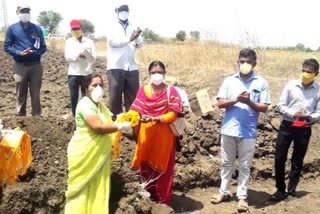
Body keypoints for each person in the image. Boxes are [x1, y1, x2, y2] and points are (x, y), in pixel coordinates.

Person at [211, 49, 271, 212]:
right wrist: (236, 100)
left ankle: (242, 197)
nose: (245, 64)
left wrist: (249, 102)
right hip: (228, 129)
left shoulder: (261, 82)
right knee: (226, 163)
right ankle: (223, 192)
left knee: (245, 166)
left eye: (248, 62)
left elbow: (264, 107)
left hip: (248, 131)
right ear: (238, 62)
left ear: (254, 63)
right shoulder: (229, 81)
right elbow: (220, 103)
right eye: (242, 61)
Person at [64, 74, 131, 214]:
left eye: (101, 85)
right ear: (86, 87)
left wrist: (119, 118)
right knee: (82, 187)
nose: (99, 88)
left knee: (98, 185)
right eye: (94, 85)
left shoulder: (98, 105)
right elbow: (98, 128)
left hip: (99, 154)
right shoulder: (85, 105)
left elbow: (107, 119)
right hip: (85, 153)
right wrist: (119, 127)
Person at [130, 61, 184, 205]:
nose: (156, 75)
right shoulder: (143, 90)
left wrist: (155, 118)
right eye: (153, 73)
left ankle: (162, 203)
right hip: (146, 136)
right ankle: (148, 201)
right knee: (146, 167)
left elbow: (173, 115)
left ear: (164, 74)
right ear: (149, 74)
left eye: (159, 72)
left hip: (164, 137)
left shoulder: (171, 91)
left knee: (163, 169)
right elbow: (135, 110)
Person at [270, 59, 320, 201]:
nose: (305, 74)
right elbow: (280, 105)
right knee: (279, 158)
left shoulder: (318, 90)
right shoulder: (291, 85)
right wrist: (293, 113)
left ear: (316, 73)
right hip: (287, 125)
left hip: (304, 128)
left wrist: (309, 117)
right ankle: (280, 189)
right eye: (303, 70)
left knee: (297, 160)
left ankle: (291, 192)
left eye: (309, 72)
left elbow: (319, 112)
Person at [4, 3, 47, 116]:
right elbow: (7, 46)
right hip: (20, 66)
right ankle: (21, 117)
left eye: (27, 11)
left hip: (36, 66)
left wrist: (35, 52)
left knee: (36, 93)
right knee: (21, 94)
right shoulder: (12, 29)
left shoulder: (37, 28)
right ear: (17, 13)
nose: (25, 14)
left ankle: (36, 118)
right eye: (23, 11)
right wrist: (19, 53)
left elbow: (43, 47)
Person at [107, 2, 143, 119]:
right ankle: (116, 127)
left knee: (133, 98)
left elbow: (139, 44)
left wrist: (136, 38)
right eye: (122, 10)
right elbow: (113, 42)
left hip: (131, 66)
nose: (124, 12)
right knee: (115, 98)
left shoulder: (133, 25)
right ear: (117, 12)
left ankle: (133, 124)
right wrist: (130, 38)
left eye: (126, 10)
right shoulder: (111, 25)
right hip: (116, 66)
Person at [65, 19, 97, 116]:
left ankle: (87, 115)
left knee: (86, 96)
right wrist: (78, 55)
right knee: (74, 96)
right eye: (73, 29)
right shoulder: (69, 42)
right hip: (73, 73)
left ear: (81, 28)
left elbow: (94, 57)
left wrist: (87, 56)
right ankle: (75, 115)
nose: (76, 31)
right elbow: (68, 57)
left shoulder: (89, 42)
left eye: (77, 28)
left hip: (86, 73)